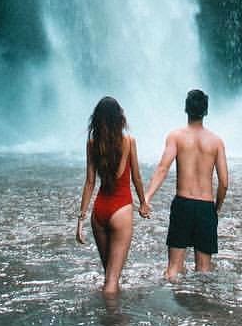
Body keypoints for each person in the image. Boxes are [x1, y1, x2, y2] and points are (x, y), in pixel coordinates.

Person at [144, 88, 228, 279]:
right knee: (204, 270)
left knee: (173, 268)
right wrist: (216, 208)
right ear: (206, 111)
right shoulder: (216, 142)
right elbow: (224, 182)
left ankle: (171, 307)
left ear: (186, 109)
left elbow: (162, 168)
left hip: (182, 204)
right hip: (206, 206)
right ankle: (201, 307)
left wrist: (147, 197)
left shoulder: (176, 137)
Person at [76, 96, 150, 294]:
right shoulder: (128, 141)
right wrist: (143, 203)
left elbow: (90, 182)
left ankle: (106, 319)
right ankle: (114, 322)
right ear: (120, 117)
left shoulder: (92, 144)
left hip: (99, 212)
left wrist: (80, 220)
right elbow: (136, 177)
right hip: (121, 210)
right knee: (112, 281)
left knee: (108, 274)